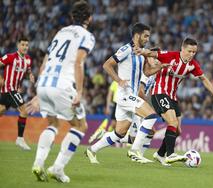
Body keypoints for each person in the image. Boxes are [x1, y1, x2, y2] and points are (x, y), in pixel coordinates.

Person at [85, 23, 171, 164]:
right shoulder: (126, 49)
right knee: (151, 115)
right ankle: (134, 151)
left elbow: (146, 72)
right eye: (146, 36)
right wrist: (118, 80)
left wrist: (161, 67)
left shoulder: (141, 52)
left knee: (120, 133)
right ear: (137, 35)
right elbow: (107, 64)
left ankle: (92, 150)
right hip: (125, 94)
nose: (148, 39)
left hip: (129, 97)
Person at [135, 37, 213, 166]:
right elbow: (152, 53)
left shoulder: (192, 65)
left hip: (172, 97)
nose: (191, 54)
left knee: (177, 130)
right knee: (172, 122)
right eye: (189, 51)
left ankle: (160, 154)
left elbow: (204, 79)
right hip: (159, 93)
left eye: (194, 52)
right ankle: (170, 154)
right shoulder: (171, 56)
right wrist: (141, 50)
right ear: (182, 49)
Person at [31, 0, 95, 183]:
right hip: (63, 85)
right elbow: (78, 62)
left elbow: (45, 62)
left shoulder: (60, 33)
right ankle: (57, 168)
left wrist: (37, 93)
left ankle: (38, 163)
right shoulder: (86, 36)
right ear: (89, 18)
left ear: (71, 17)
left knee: (53, 124)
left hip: (44, 84)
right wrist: (80, 92)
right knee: (80, 126)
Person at [0, 36, 35, 150]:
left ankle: (20, 139)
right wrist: (0, 78)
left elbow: (27, 69)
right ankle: (20, 139)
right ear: (18, 46)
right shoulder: (10, 57)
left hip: (14, 89)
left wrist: (30, 75)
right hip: (9, 89)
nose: (25, 47)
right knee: (24, 110)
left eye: (26, 45)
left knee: (1, 110)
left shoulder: (28, 59)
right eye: (23, 45)